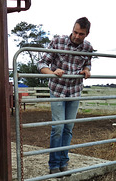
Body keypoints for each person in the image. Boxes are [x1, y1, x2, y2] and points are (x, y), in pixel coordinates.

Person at [37, 17, 94, 174]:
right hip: (58, 89)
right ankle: (54, 165)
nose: (76, 36)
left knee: (68, 127)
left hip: (75, 90)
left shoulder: (88, 47)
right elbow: (42, 64)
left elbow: (87, 63)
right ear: (72, 29)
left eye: (81, 34)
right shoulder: (58, 41)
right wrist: (53, 73)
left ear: (87, 34)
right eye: (75, 32)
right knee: (58, 127)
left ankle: (64, 162)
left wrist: (87, 70)